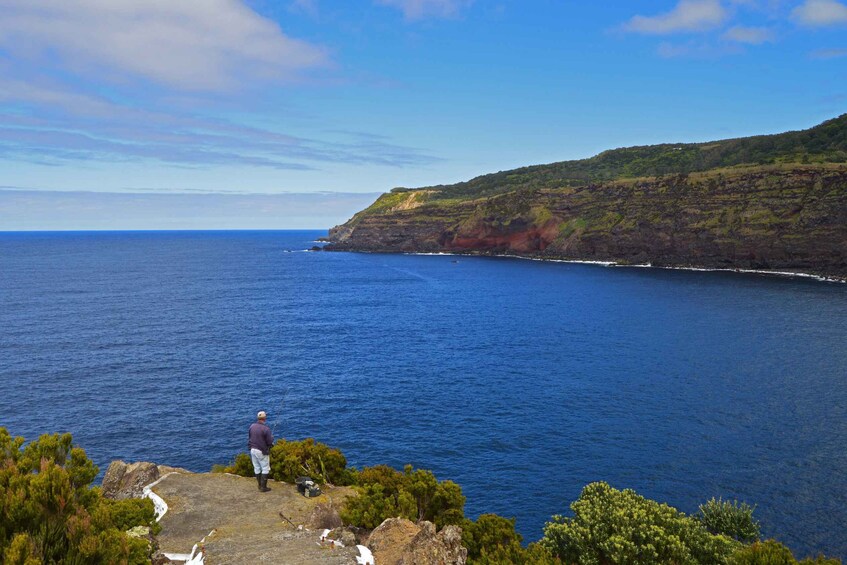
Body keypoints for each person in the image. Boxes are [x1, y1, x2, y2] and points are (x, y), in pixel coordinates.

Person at [248, 410, 274, 492]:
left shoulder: (252, 426)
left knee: (257, 467)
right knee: (265, 468)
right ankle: (263, 487)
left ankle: (259, 485)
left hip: (252, 449)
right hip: (261, 451)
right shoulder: (266, 429)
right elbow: (269, 442)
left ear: (258, 418)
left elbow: (250, 437)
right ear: (264, 418)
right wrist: (271, 440)